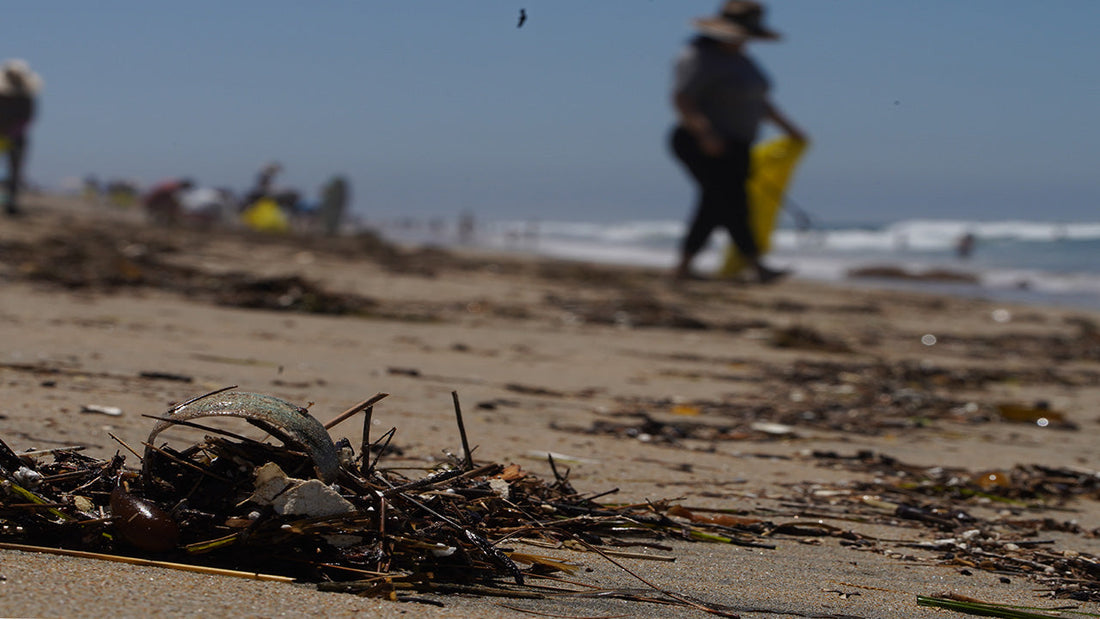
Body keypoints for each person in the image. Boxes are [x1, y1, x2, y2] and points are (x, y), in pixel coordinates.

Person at [669, 2, 806, 283]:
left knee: (725, 202)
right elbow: (683, 99)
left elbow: (761, 103)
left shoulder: (744, 61)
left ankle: (690, 266)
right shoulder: (699, 56)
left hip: (738, 145)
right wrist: (705, 133)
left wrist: (790, 129)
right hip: (701, 142)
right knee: (724, 201)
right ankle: (750, 265)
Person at [0, 59, 42, 217]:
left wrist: (12, 133)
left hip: (16, 137)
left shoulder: (27, 98)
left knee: (15, 171)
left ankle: (11, 203)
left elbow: (28, 118)